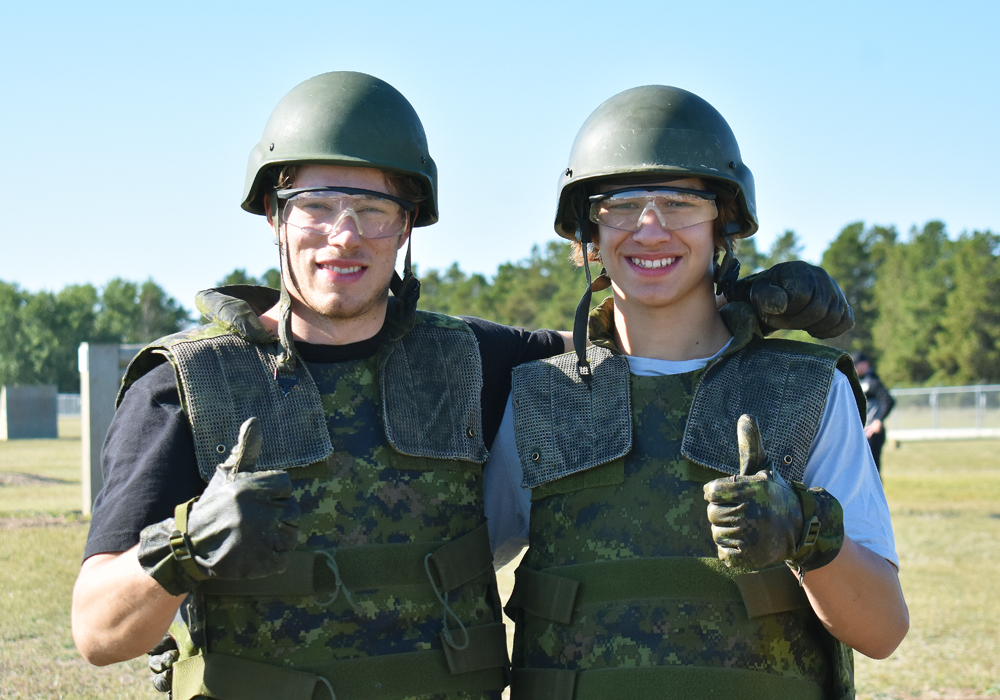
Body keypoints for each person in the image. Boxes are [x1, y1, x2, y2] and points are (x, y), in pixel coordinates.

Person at [70, 72, 855, 700]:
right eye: (316, 205)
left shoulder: (475, 361)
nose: (344, 235)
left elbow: (639, 341)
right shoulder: (189, 386)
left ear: (407, 225)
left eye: (373, 209)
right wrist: (182, 548)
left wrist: (741, 301)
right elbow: (98, 632)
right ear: (273, 216)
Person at [498, 85, 908, 699]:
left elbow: (882, 630)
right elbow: (444, 583)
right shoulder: (543, 397)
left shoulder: (805, 390)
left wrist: (803, 529)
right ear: (589, 226)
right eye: (621, 202)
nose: (651, 226)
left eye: (681, 201)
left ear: (723, 222)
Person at [852, 352, 895, 472]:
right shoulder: (855, 381)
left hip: (872, 432)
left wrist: (878, 420)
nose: (854, 367)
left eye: (856, 364)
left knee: (872, 470)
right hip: (860, 431)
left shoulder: (873, 381)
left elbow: (888, 400)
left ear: (865, 364)